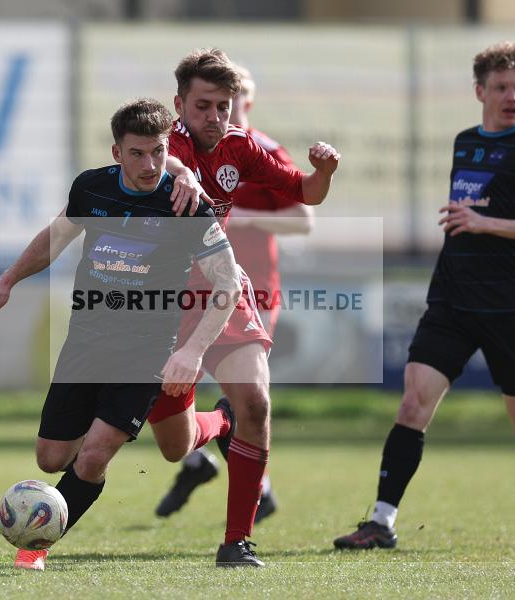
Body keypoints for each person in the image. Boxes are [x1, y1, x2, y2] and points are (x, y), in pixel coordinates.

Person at [332, 41, 515, 551]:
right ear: (480, 91)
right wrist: (468, 222)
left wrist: (483, 221)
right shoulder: (464, 143)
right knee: (412, 402)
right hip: (452, 299)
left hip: (510, 305)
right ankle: (380, 522)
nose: (512, 96)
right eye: (501, 87)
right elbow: (467, 213)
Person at [0, 98, 242, 570]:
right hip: (87, 341)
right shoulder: (91, 188)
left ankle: (33, 548)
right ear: (117, 153)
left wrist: (193, 350)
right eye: (137, 154)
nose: (149, 164)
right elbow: (56, 237)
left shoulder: (186, 205)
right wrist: (7, 280)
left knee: (93, 457)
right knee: (51, 458)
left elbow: (229, 282)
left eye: (158, 152)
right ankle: (222, 420)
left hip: (146, 352)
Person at [145, 48, 339, 567]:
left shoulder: (241, 146)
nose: (215, 117)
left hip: (221, 291)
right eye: (203, 105)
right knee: (174, 445)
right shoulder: (159, 139)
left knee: (256, 403)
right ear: (179, 104)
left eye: (224, 106)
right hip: (160, 303)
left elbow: (306, 195)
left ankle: (237, 541)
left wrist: (324, 172)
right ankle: (217, 425)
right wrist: (181, 171)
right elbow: (166, 155)